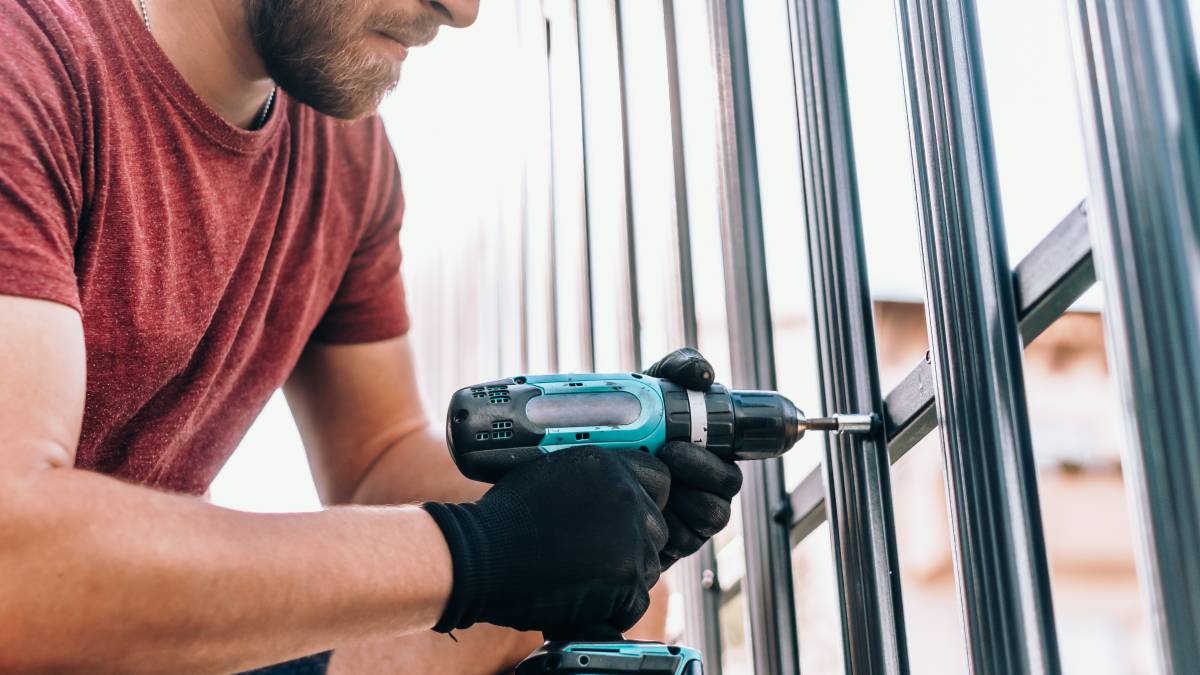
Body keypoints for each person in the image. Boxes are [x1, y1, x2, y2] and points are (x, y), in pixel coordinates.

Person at [0, 1, 744, 672]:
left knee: (606, 608)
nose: (462, 11)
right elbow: (17, 566)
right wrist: (482, 550)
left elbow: (375, 463)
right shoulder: (27, 56)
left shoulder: (342, 153)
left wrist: (596, 494)